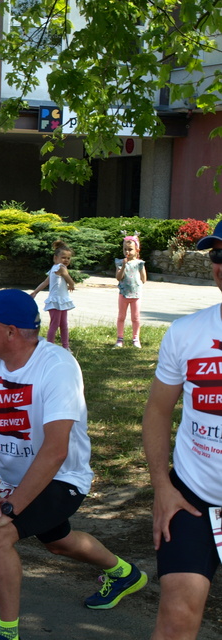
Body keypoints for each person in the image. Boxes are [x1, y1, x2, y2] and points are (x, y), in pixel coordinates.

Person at [0, 289, 147, 640]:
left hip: (63, 476)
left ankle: (6, 633)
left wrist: (9, 508)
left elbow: (56, 450)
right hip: (17, 479)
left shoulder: (58, 365)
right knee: (57, 541)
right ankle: (125, 574)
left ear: (12, 331)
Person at [142, 221, 222, 639]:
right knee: (176, 619)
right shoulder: (187, 332)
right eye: (217, 255)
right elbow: (157, 412)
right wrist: (162, 485)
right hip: (191, 498)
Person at [31, 239, 75, 350]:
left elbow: (46, 282)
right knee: (56, 325)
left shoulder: (54, 268)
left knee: (63, 324)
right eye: (63, 257)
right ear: (55, 258)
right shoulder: (61, 268)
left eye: (68, 258)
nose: (66, 260)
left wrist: (36, 291)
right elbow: (70, 280)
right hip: (56, 301)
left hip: (62, 301)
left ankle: (65, 346)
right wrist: (71, 284)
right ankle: (50, 346)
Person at [114, 235, 146, 348]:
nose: (127, 252)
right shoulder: (120, 263)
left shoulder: (139, 263)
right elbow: (118, 277)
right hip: (123, 294)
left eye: (130, 249)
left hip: (136, 294)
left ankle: (136, 338)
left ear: (137, 250)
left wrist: (140, 274)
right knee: (121, 316)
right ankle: (120, 338)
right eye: (125, 249)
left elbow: (144, 279)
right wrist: (123, 266)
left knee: (135, 317)